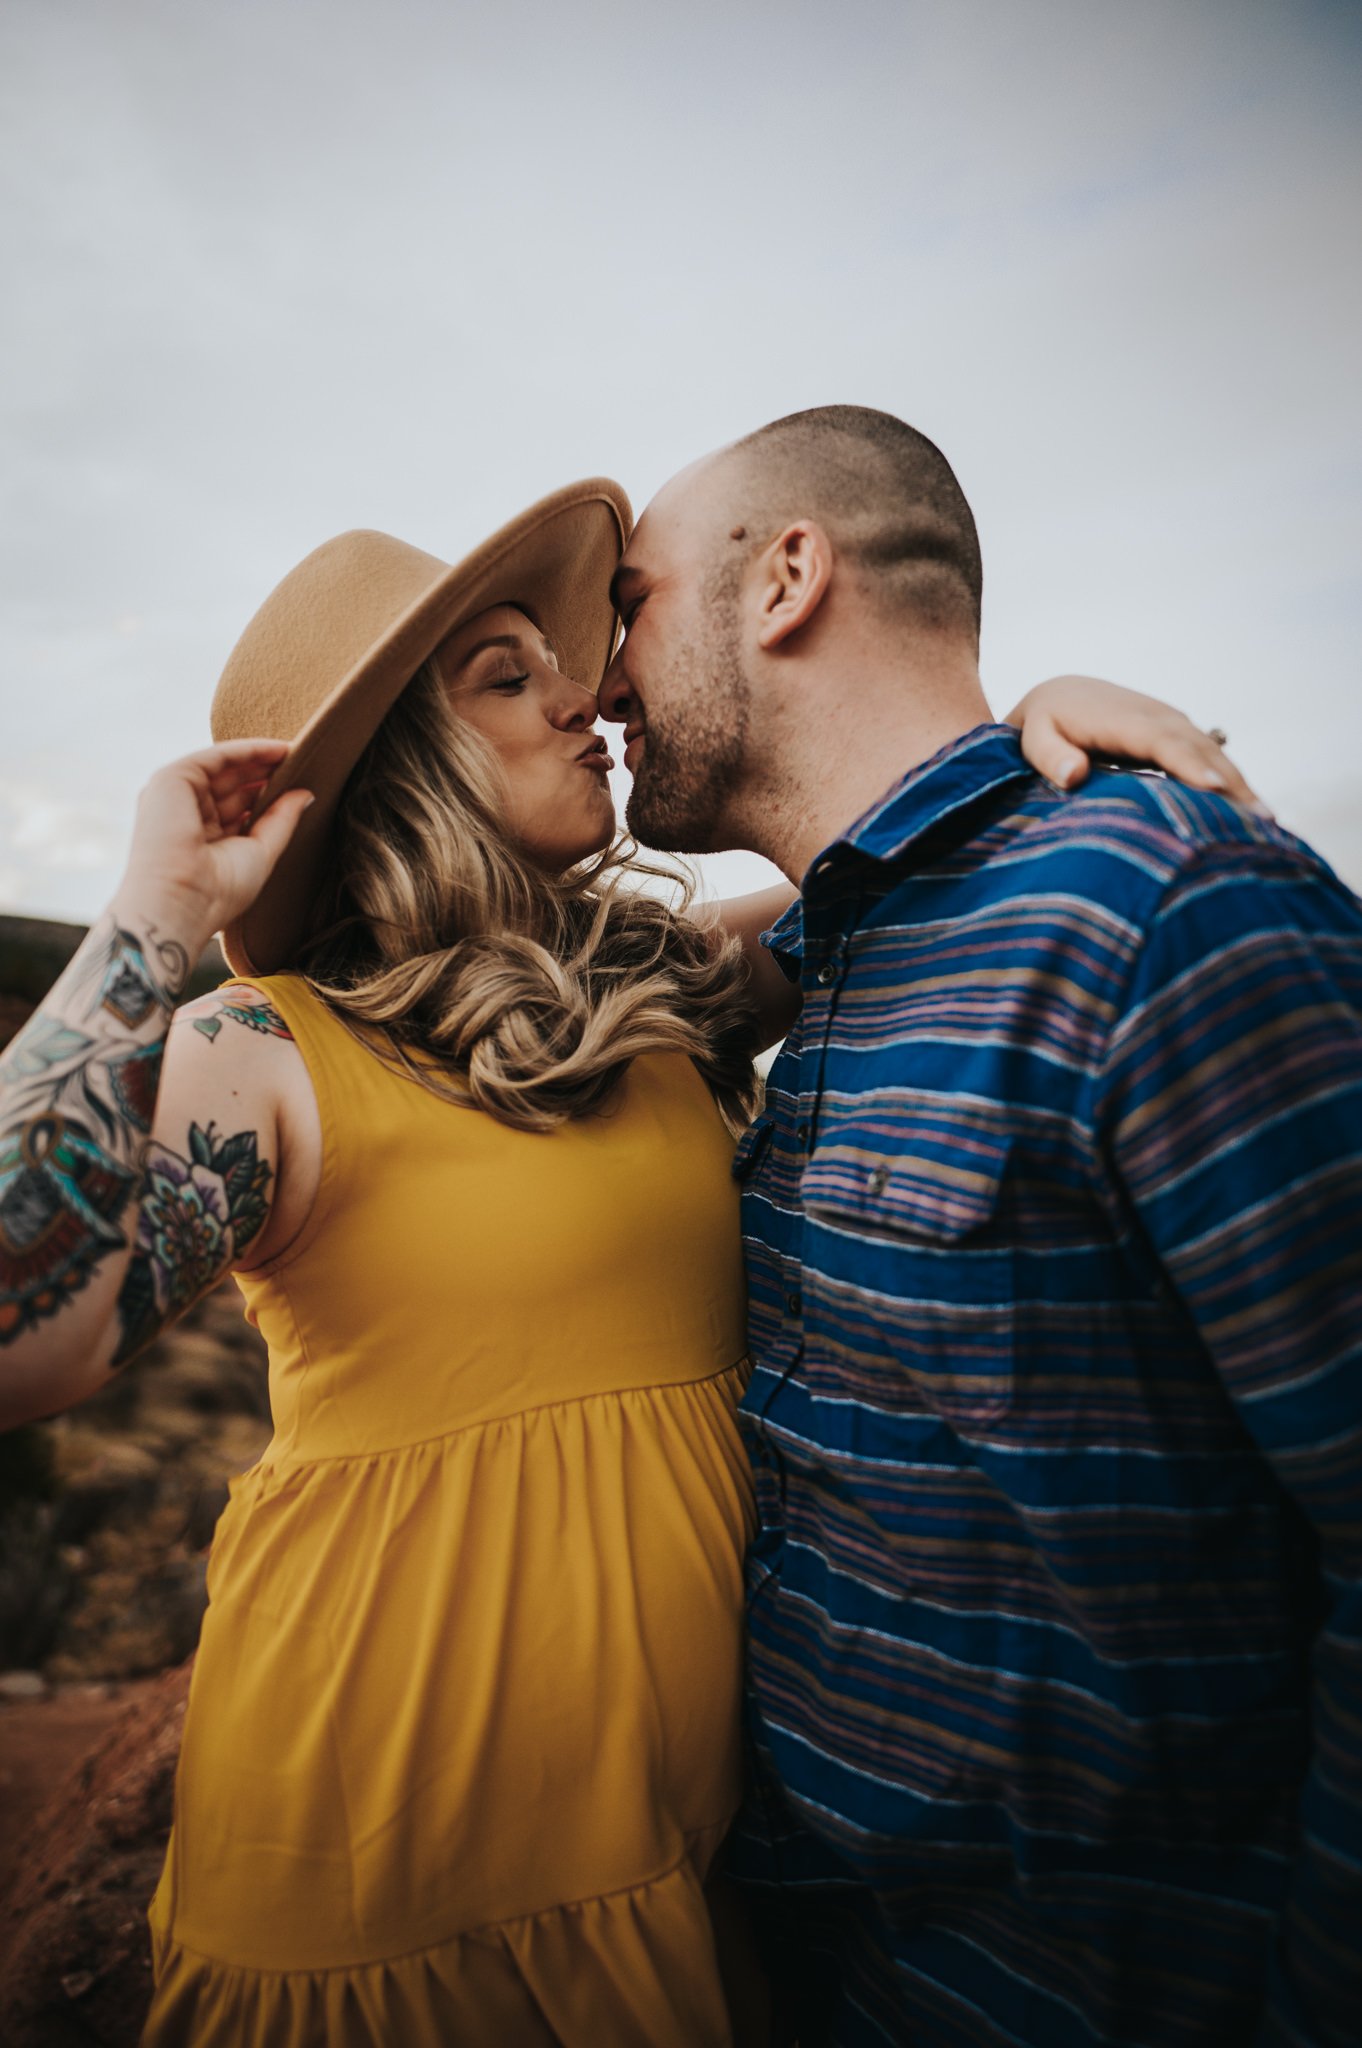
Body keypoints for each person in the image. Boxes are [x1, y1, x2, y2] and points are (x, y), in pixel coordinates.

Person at [0, 479, 1250, 2048]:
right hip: (377, 1880)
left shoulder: (657, 1002)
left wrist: (1030, 726)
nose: (587, 700)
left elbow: (879, 859)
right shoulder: (263, 1051)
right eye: (507, 678)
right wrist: (155, 908)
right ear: (410, 765)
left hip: (667, 1859)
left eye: (565, 663)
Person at [597, 405, 1362, 2048]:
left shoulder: (1165, 911)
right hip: (826, 1956)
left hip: (1110, 1989)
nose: (596, 679)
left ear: (786, 576)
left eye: (631, 602)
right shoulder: (840, 948)